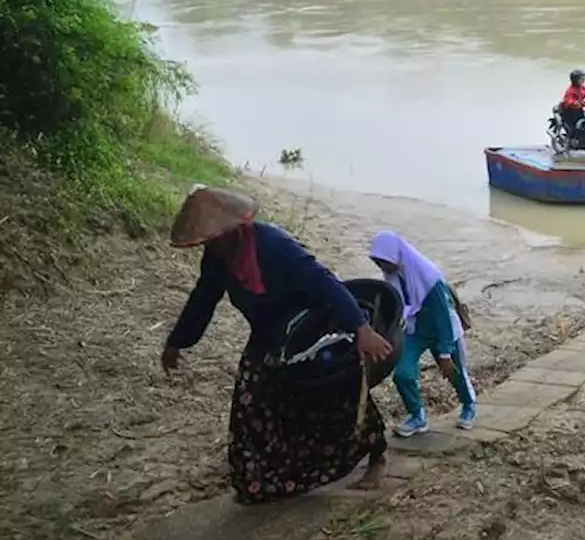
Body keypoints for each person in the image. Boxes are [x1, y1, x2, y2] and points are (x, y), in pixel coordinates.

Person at [162, 186, 393, 503]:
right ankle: (263, 480)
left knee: (336, 396)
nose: (211, 246)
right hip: (268, 335)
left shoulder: (272, 244)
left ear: (232, 228)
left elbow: (322, 280)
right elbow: (202, 300)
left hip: (311, 327)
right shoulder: (216, 261)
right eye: (206, 242)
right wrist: (178, 341)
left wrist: (360, 327)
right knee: (251, 402)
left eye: (214, 239)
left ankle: (376, 455)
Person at [369, 232, 477, 436]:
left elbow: (444, 319)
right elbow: (397, 307)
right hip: (415, 329)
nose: (381, 267)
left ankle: (469, 405)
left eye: (383, 261)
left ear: (395, 256)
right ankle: (417, 416)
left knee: (456, 372)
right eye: (377, 262)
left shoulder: (428, 278)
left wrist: (444, 354)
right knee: (402, 374)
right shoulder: (393, 275)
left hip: (442, 330)